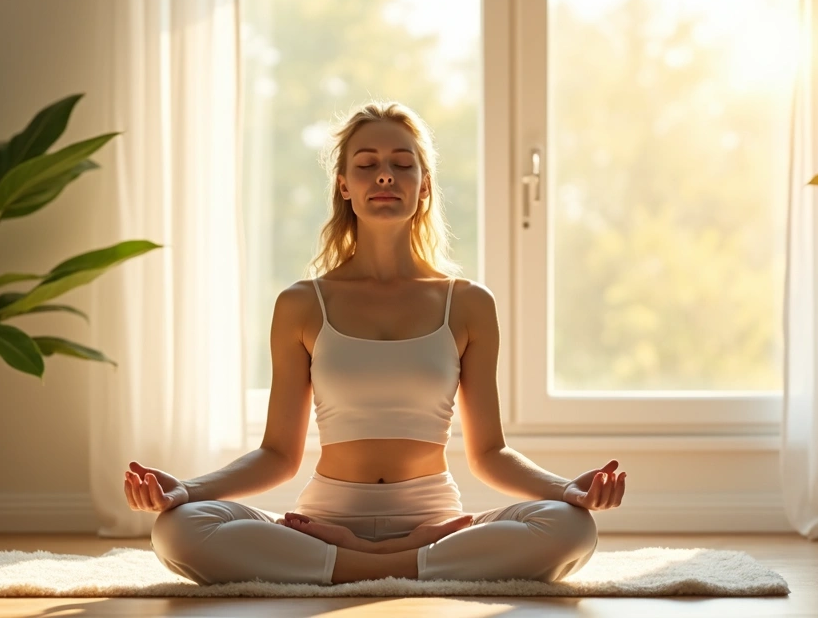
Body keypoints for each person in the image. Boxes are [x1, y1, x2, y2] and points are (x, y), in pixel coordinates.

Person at [122, 101, 627, 586]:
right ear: (343, 185)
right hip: (327, 517)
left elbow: (490, 453)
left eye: (402, 164)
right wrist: (187, 490)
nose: (385, 175)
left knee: (572, 527)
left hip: (432, 518)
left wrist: (567, 490)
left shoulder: (468, 303)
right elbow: (277, 453)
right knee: (178, 528)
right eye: (367, 164)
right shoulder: (302, 303)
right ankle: (405, 563)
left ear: (424, 187)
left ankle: (347, 564)